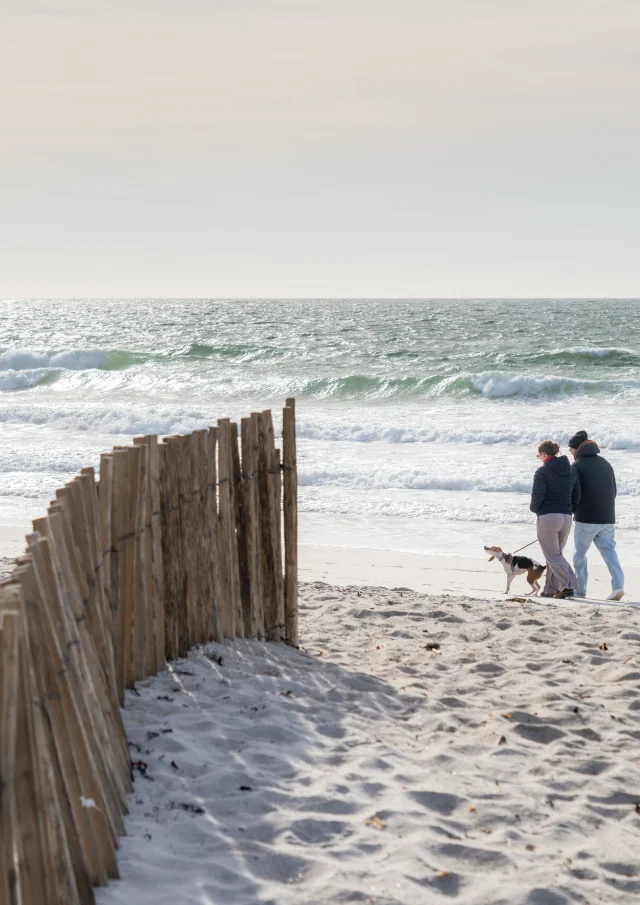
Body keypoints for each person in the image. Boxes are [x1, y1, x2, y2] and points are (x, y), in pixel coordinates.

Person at [568, 430, 624, 601]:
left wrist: (572, 510)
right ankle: (618, 587)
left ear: (577, 449)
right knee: (609, 553)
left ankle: (580, 590)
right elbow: (614, 491)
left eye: (570, 449)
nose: (570, 453)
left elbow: (574, 493)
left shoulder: (577, 466)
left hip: (586, 519)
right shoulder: (606, 464)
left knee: (579, 555)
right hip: (607, 518)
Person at [530, 440, 581, 598]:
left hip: (548, 517)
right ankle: (551, 590)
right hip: (566, 517)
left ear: (544, 454)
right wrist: (568, 509)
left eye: (539, 455)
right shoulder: (572, 471)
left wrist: (534, 509)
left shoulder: (542, 471)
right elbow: (577, 495)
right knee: (555, 554)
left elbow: (537, 497)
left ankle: (570, 583)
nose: (539, 458)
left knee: (552, 555)